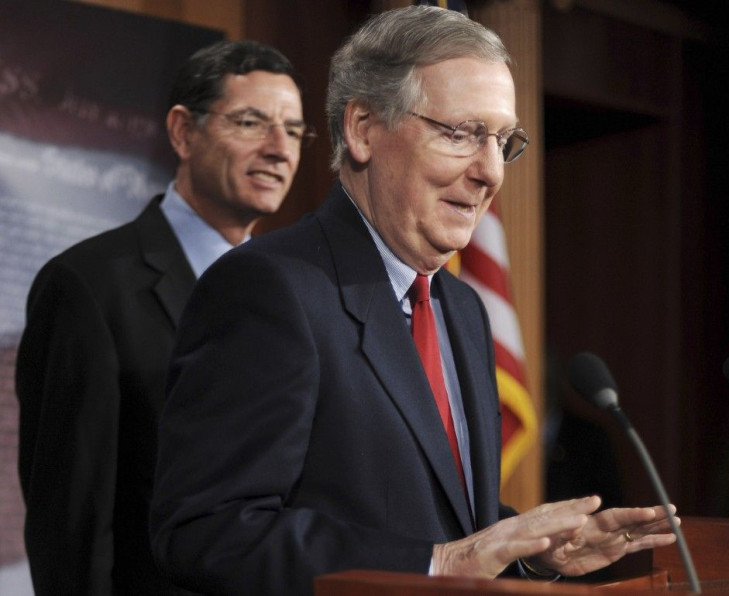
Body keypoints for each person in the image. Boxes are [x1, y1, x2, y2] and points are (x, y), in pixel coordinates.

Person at [150, 7, 677, 596]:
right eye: (461, 133)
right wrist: (440, 564)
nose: (490, 172)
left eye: (504, 141)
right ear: (364, 129)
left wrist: (531, 552)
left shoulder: (463, 309)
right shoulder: (269, 287)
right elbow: (210, 532)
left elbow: (444, 523)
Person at [15, 39, 312, 596]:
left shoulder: (299, 291)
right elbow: (71, 523)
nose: (280, 149)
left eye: (294, 131)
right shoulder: (88, 286)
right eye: (252, 122)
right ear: (182, 131)